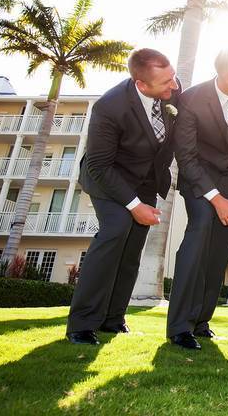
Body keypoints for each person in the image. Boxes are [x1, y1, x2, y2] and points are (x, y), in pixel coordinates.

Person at [66, 48, 180, 345]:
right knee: (115, 232)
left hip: (144, 181)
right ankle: (81, 323)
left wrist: (143, 199)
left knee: (132, 248)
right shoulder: (110, 107)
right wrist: (133, 205)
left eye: (173, 77)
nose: (174, 86)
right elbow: (99, 165)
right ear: (141, 85)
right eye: (166, 82)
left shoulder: (170, 94)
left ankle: (113, 318)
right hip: (108, 179)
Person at [166, 49, 228, 350]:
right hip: (199, 182)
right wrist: (215, 198)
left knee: (220, 253)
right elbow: (187, 157)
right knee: (198, 237)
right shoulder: (191, 100)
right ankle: (179, 327)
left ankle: (201, 320)